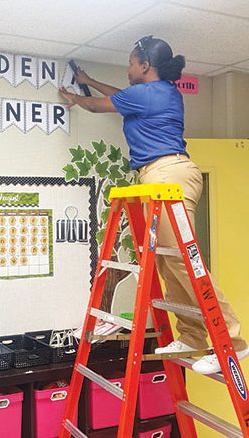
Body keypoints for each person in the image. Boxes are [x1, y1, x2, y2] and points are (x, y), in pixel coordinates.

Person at [59, 35, 248, 374]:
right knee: (167, 262)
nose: (128, 68)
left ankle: (233, 342)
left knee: (185, 263)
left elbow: (98, 105)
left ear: (145, 66)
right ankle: (191, 335)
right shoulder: (157, 93)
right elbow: (119, 95)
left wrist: (75, 97)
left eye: (131, 63)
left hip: (168, 176)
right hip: (158, 177)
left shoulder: (148, 94)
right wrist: (89, 80)